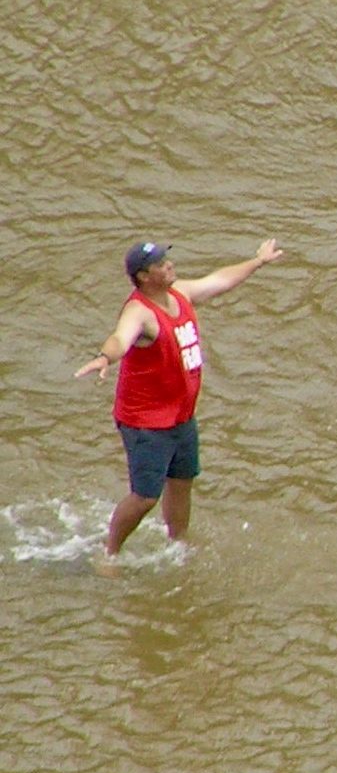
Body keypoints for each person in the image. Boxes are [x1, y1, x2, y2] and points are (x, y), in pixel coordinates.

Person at [74, 237, 284, 558]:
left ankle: (179, 543)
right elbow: (121, 336)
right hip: (146, 422)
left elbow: (219, 281)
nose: (169, 265)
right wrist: (105, 357)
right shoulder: (140, 312)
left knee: (182, 480)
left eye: (167, 260)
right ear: (144, 276)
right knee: (145, 497)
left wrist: (257, 262)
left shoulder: (179, 293)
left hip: (181, 416)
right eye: (160, 264)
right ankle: (110, 551)